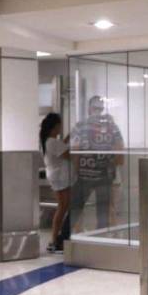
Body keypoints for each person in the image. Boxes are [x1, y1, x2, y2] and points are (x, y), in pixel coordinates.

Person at [69, 95, 125, 231]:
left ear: (89, 109)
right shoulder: (113, 127)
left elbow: (74, 150)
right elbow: (120, 150)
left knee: (75, 208)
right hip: (105, 175)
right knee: (103, 211)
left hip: (84, 175)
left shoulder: (80, 126)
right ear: (102, 109)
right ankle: (102, 238)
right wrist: (113, 167)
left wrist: (76, 172)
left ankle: (66, 237)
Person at [39, 113, 74, 253]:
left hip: (55, 176)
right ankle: (55, 239)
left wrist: (69, 137)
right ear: (55, 127)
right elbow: (67, 155)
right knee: (63, 207)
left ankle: (56, 238)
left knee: (63, 207)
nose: (61, 128)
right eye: (59, 125)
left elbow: (62, 147)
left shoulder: (49, 141)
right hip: (60, 177)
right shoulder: (52, 142)